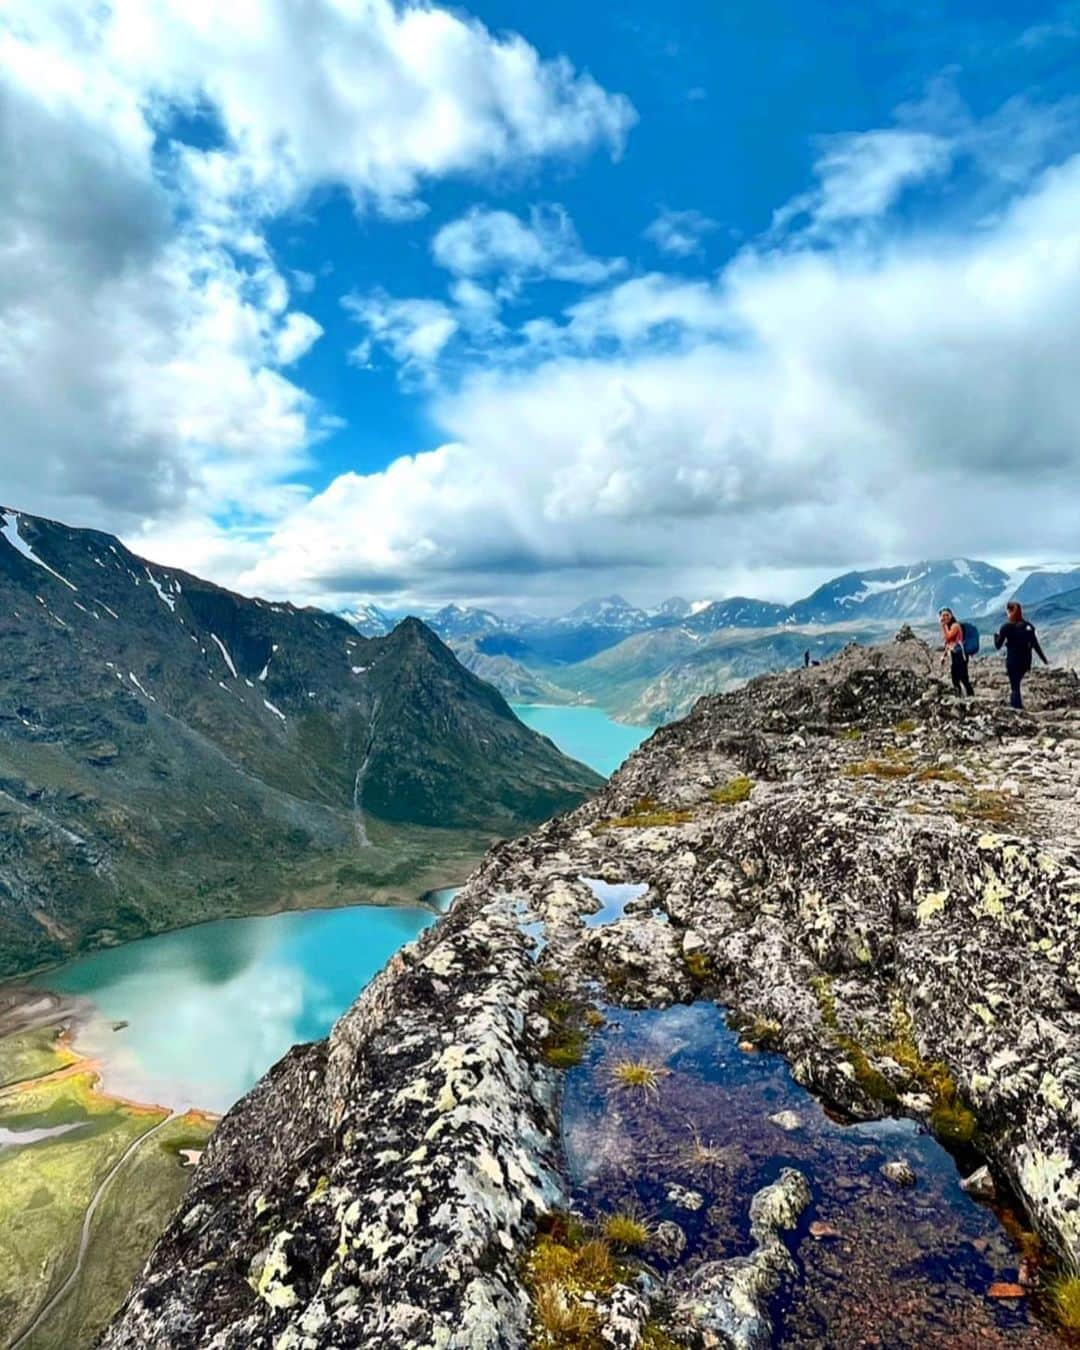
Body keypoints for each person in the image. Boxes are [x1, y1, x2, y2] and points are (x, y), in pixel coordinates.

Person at [993, 601, 1048, 710]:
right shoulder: (1029, 626)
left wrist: (995, 637)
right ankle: (1018, 706)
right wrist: (1044, 660)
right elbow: (1035, 644)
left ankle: (1016, 708)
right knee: (1017, 683)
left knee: (1015, 687)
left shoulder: (1006, 627)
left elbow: (998, 645)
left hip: (1013, 660)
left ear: (1010, 612)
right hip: (1026, 661)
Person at [938, 607, 974, 697]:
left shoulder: (955, 626)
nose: (945, 617)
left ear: (951, 615)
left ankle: (969, 696)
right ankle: (961, 695)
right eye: (943, 616)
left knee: (962, 676)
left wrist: (943, 625)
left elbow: (948, 637)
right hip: (955, 654)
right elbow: (949, 643)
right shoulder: (950, 626)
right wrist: (944, 656)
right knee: (956, 676)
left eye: (947, 615)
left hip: (960, 654)